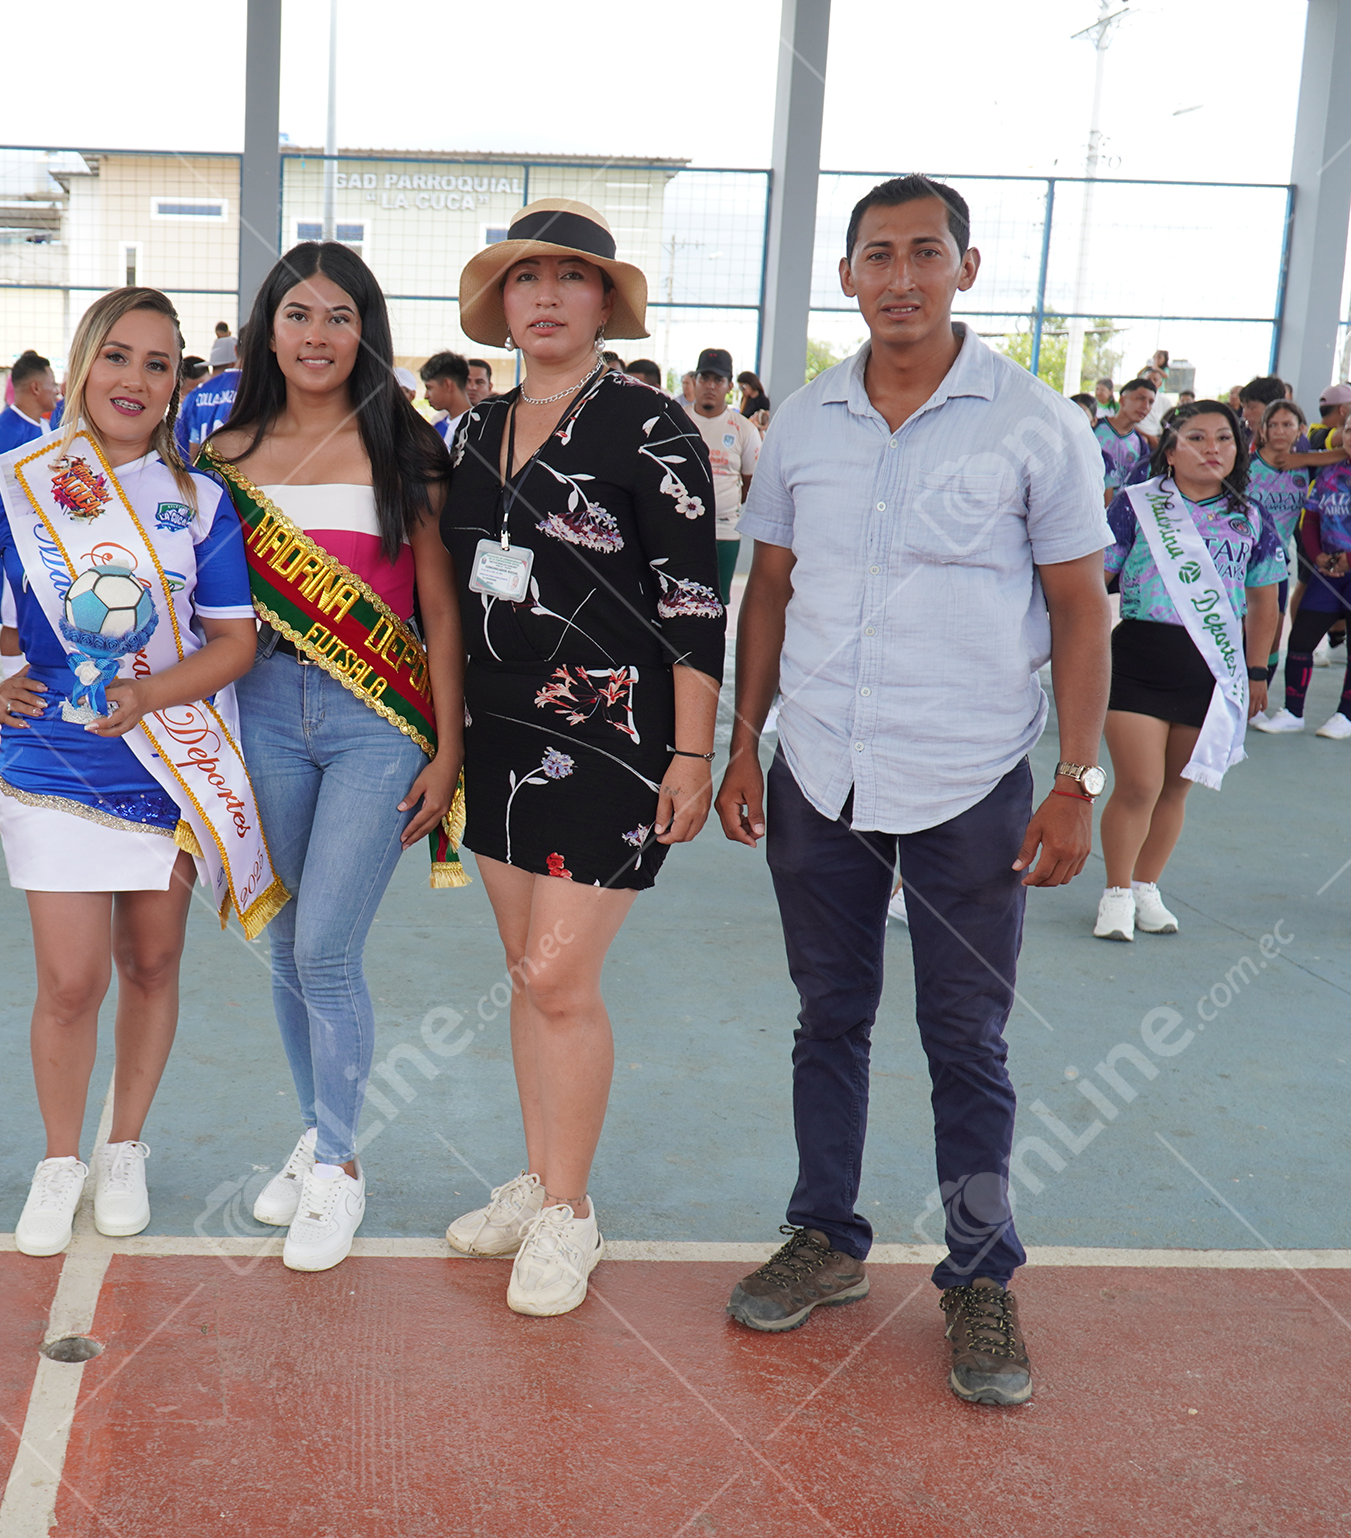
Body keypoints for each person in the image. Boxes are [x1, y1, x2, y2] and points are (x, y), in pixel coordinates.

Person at [713, 174, 1112, 1407]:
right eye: (876, 255)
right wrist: (742, 743)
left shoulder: (1035, 422)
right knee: (826, 1016)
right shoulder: (804, 424)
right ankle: (825, 1234)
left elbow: (1077, 609)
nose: (899, 277)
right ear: (845, 275)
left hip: (970, 776)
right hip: (818, 769)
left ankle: (979, 1274)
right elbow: (768, 588)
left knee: (964, 1038)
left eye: (923, 252)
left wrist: (1076, 777)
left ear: (965, 268)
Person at [0, 285, 278, 1259]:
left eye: (158, 364)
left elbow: (233, 642)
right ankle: (59, 1157)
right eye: (117, 356)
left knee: (151, 963)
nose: (135, 379)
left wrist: (149, 695)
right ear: (80, 364)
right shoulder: (16, 478)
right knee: (70, 982)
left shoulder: (200, 499)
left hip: (167, 758)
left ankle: (123, 1147)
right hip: (54, 759)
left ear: (176, 384)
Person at [442, 198, 724, 1318]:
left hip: (612, 733)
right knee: (526, 972)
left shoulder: (652, 428)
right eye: (526, 278)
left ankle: (570, 1211)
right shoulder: (473, 429)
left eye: (570, 277)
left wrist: (691, 749)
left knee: (560, 978)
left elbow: (691, 601)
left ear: (605, 301)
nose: (546, 296)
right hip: (497, 731)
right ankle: (537, 1179)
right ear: (501, 303)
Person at [197, 242, 461, 1273]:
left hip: (376, 720)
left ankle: (341, 1165)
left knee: (325, 951)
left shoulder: (407, 445)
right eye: (298, 315)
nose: (317, 335)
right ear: (267, 332)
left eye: (339, 317)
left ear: (365, 333)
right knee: (284, 940)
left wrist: (447, 746)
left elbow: (439, 608)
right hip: (261, 711)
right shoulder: (222, 453)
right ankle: (317, 1131)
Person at [1094, 401, 1283, 938]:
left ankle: (1146, 886)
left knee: (1176, 790)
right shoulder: (1134, 505)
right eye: (1196, 438)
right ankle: (1115, 893)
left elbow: (1264, 602)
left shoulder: (1252, 516)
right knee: (1139, 784)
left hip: (1212, 667)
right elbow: (1095, 579)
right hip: (1138, 658)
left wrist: (1258, 671)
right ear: (1171, 452)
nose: (1212, 449)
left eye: (1224, 438)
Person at [0, 351, 60, 659]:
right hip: (16, 543)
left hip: (42, 542)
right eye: (52, 383)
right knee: (13, 620)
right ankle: (12, 682)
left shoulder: (44, 427)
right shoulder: (8, 428)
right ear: (36, 387)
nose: (57, 390)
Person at [1278, 452, 1351, 737]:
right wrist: (1316, 555)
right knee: (1300, 639)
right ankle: (1292, 713)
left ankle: (1346, 716)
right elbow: (1310, 519)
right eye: (1349, 431)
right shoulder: (1329, 473)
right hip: (1329, 571)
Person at [686, 347, 761, 608]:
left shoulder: (744, 429)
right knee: (678, 601)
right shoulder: (676, 421)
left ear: (729, 385)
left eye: (718, 380)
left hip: (724, 531)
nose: (710, 386)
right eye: (704, 378)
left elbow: (750, 483)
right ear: (694, 381)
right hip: (680, 529)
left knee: (715, 605)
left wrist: (724, 505)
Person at [1095, 376, 1157, 506]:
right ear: (1122, 400)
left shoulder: (1141, 446)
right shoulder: (1095, 429)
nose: (1145, 406)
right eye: (1140, 398)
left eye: (1151, 402)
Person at [175, 338, 242, 451]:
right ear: (234, 360)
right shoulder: (250, 391)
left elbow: (182, 444)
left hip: (197, 460)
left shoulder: (195, 395)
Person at [418, 349, 472, 449]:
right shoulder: (438, 428)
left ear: (448, 384)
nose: (426, 396)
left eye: (429, 388)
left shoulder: (478, 427)